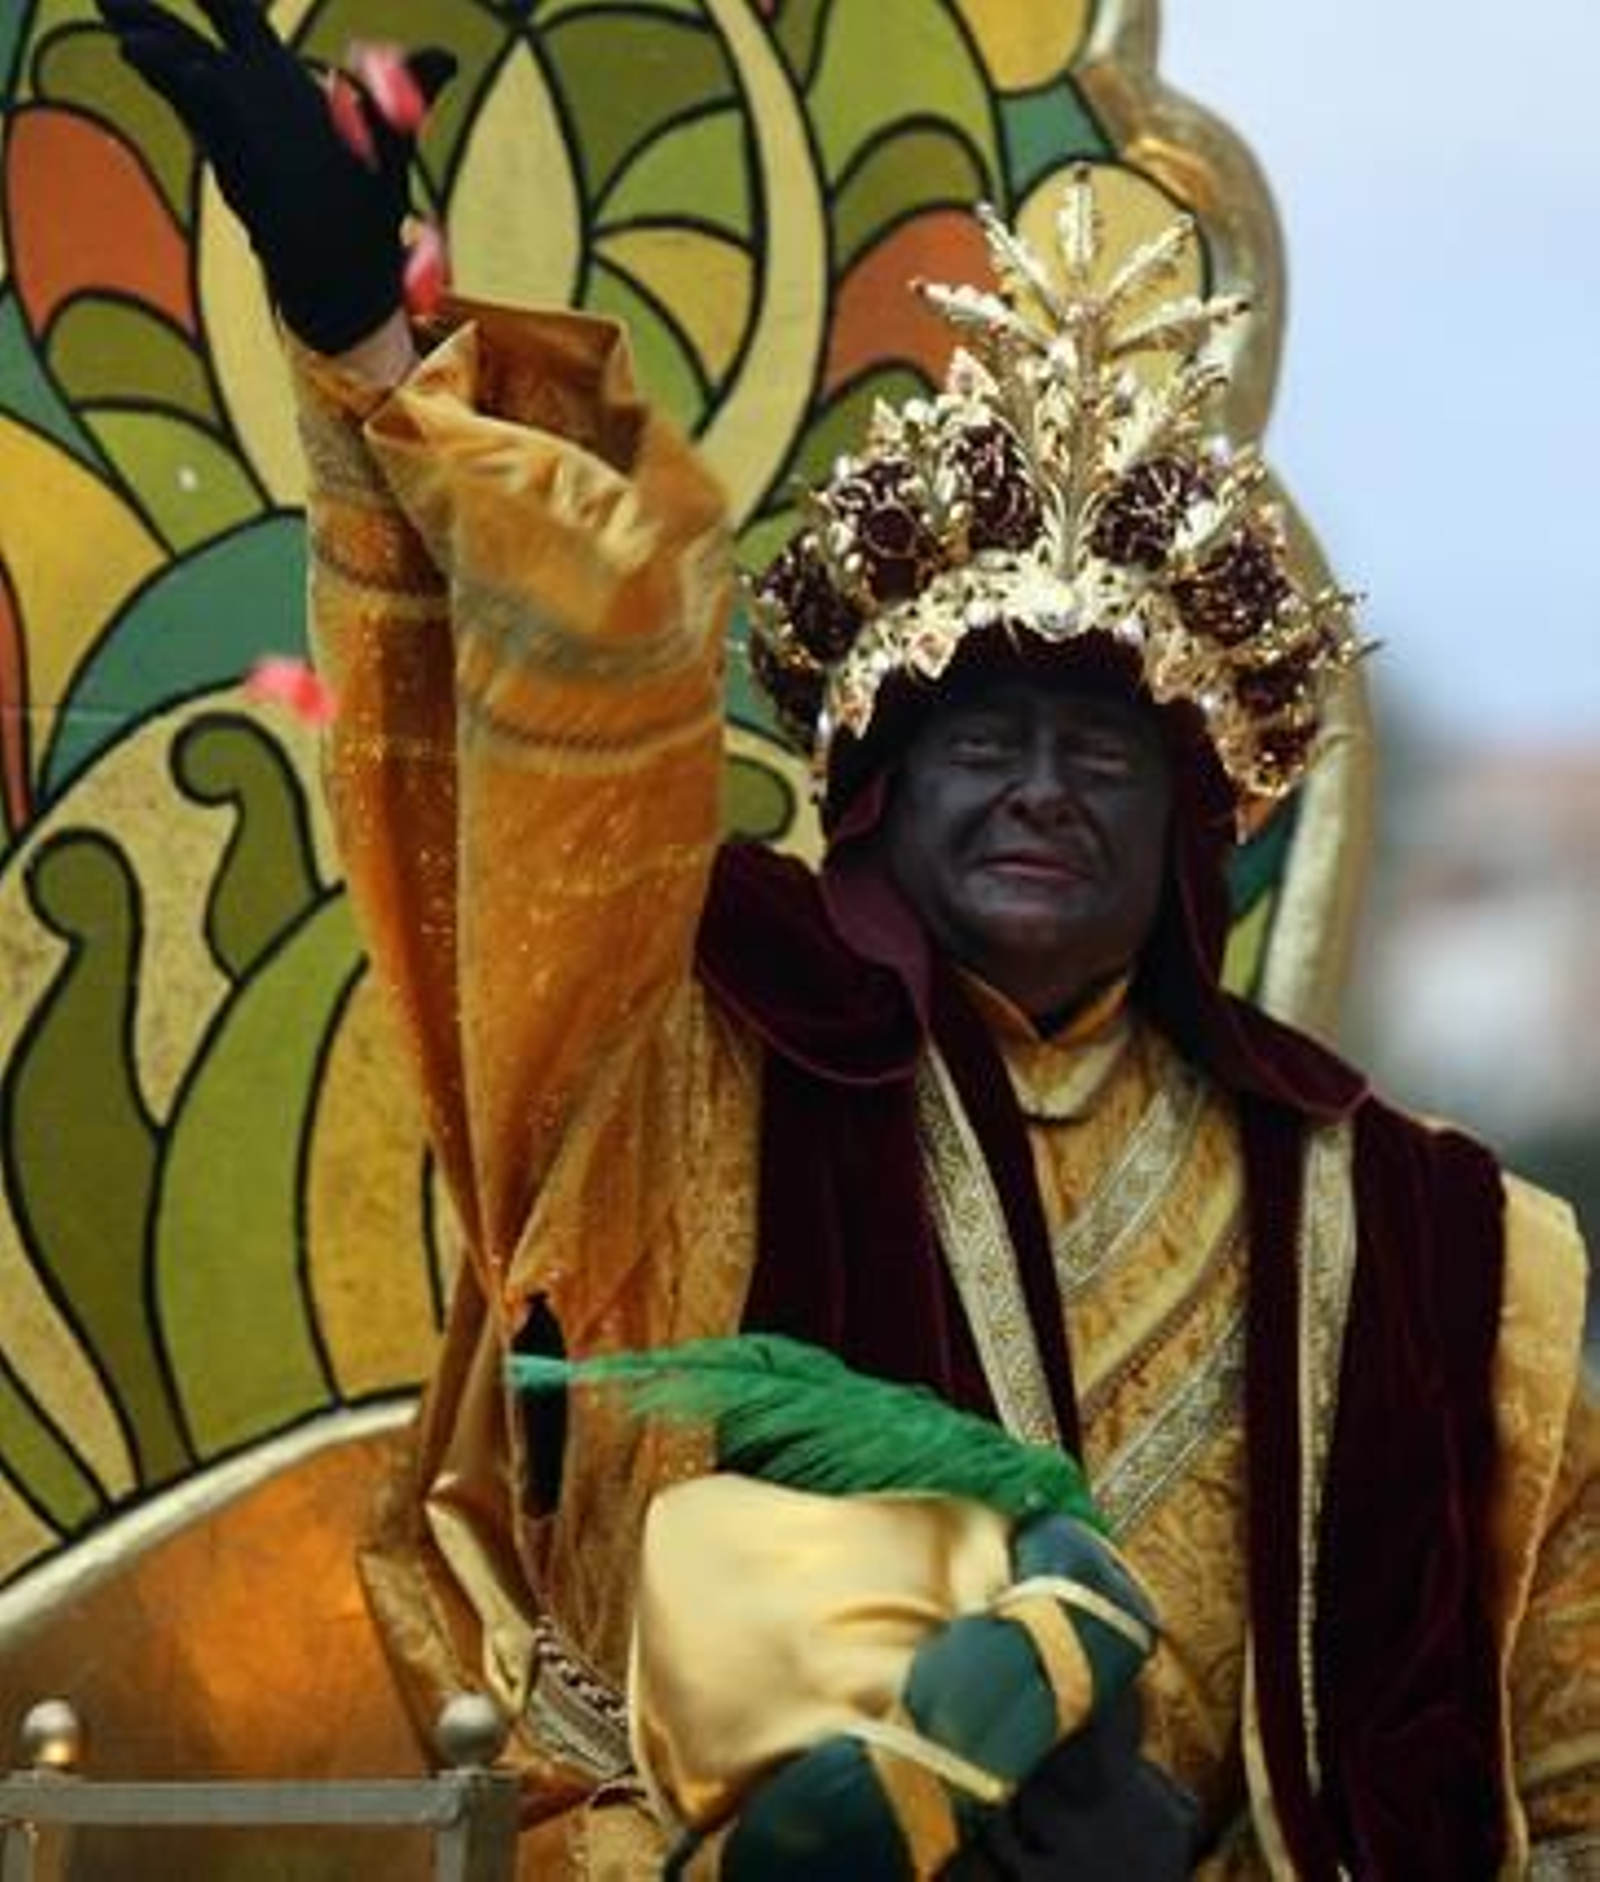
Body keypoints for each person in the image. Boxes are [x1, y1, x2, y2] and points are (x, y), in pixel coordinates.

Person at [96, 2, 1597, 1876]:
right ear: (879, 787)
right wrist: (373, 348)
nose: (1044, 786)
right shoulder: (704, 1066)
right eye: (984, 734)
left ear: (1197, 831)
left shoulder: (1429, 1237)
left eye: (1103, 749)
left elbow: (1565, 1771)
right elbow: (547, 760)